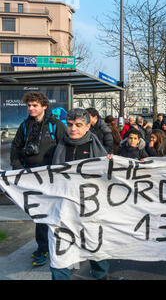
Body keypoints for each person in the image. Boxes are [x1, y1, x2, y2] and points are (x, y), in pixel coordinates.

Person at [50, 108, 111, 280]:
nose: (73, 129)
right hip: (62, 208)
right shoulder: (57, 148)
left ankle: (101, 275)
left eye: (78, 125)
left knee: (94, 247)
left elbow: (111, 175)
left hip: (90, 208)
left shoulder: (98, 149)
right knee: (59, 251)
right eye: (69, 125)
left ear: (87, 127)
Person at [10, 92, 66, 267]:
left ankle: (56, 245)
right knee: (39, 214)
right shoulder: (24, 126)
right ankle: (43, 248)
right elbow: (15, 148)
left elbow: (65, 147)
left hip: (52, 177)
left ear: (44, 106)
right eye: (29, 105)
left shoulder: (55, 125)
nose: (31, 108)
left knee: (55, 213)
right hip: (31, 177)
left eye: (35, 105)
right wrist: (19, 168)